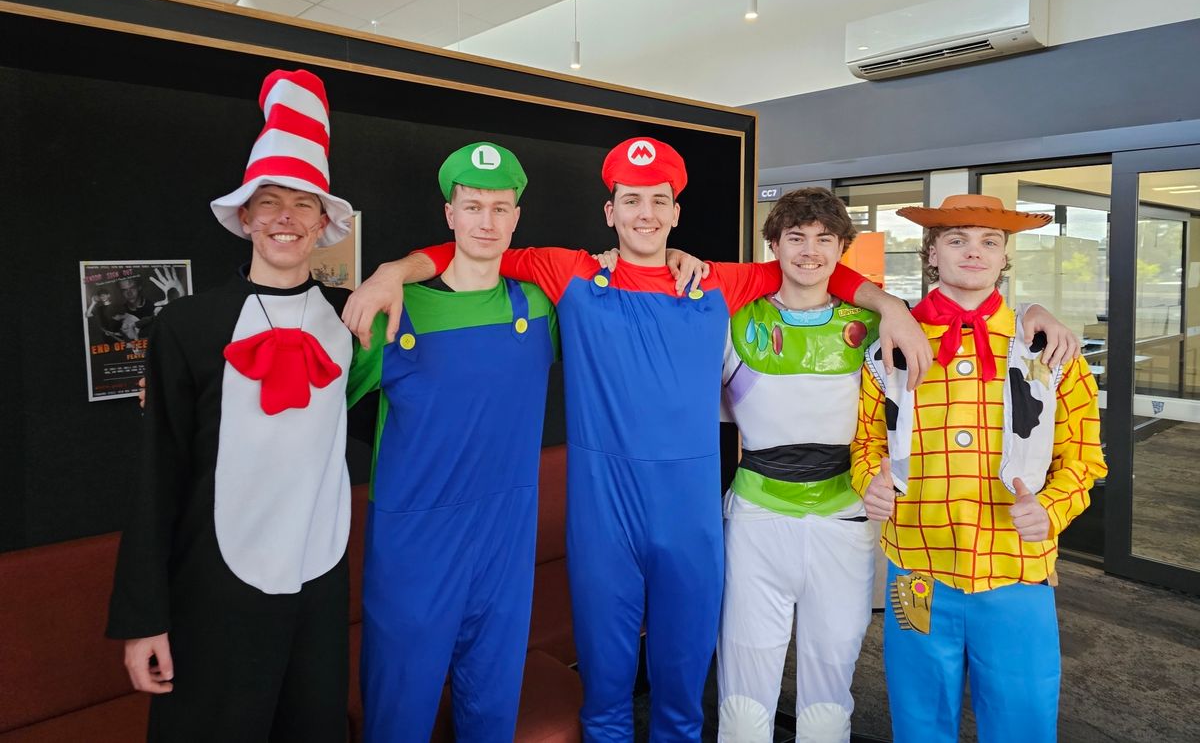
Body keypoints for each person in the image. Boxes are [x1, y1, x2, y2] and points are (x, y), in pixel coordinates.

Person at [344, 137, 931, 741]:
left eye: (658, 200)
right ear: (610, 211)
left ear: (676, 211)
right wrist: (394, 271)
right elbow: (475, 248)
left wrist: (891, 306)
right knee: (605, 694)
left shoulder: (718, 282)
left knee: (682, 693)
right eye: (631, 200)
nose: (645, 213)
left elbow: (812, 266)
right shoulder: (569, 273)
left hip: (689, 517)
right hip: (605, 516)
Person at [107, 68, 359, 743]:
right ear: (245, 217)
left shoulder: (354, 321)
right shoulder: (186, 325)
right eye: (269, 202)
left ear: (324, 223)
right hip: (213, 588)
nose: (285, 217)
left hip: (318, 583)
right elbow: (158, 473)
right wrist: (143, 616)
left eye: (302, 203)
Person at [852, 194, 1106, 743]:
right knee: (919, 722)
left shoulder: (1051, 351)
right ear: (931, 253)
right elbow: (866, 441)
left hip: (1017, 569)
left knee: (1022, 723)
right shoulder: (887, 350)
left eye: (989, 241)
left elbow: (1083, 458)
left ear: (1004, 256)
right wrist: (869, 480)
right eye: (957, 239)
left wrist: (1051, 509)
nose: (974, 252)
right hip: (916, 568)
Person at [345, 143, 558, 741]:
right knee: (400, 707)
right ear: (450, 214)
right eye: (472, 207)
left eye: (499, 208)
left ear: (516, 217)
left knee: (493, 703)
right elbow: (312, 406)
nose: (486, 222)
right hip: (416, 540)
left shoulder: (540, 305)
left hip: (506, 534)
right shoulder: (392, 309)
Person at [716, 188, 882, 743]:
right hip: (756, 519)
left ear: (841, 248)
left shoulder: (876, 326)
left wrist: (1033, 315)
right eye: (796, 238)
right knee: (743, 691)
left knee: (831, 688)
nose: (810, 252)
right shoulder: (735, 321)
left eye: (824, 239)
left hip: (845, 518)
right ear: (774, 245)